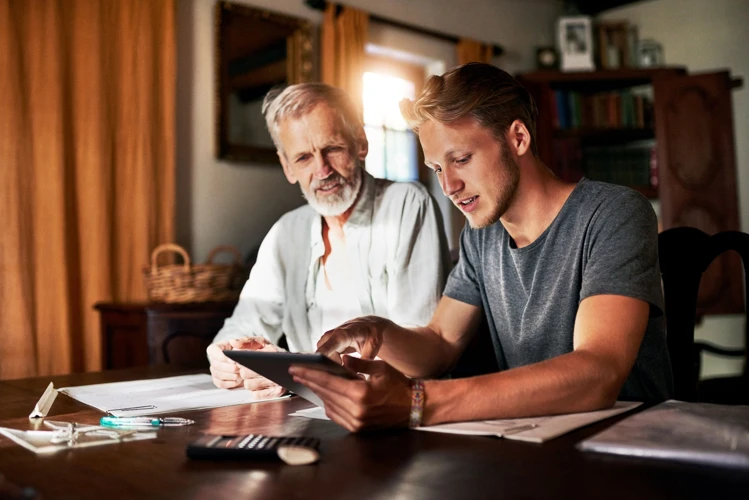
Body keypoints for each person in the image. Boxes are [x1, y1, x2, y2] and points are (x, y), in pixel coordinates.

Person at [290, 63, 673, 432]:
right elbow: (439, 342)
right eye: (438, 168)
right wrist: (374, 329)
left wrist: (417, 401)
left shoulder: (614, 213)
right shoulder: (480, 235)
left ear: (518, 138)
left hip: (626, 446)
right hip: (534, 444)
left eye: (461, 159)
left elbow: (598, 372)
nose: (449, 186)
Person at [207, 82, 451, 400]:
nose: (322, 170)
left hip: (397, 411)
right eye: (304, 157)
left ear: (360, 143)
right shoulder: (286, 232)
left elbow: (419, 356)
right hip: (311, 414)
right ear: (287, 167)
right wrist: (226, 357)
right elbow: (244, 324)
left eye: (332, 149)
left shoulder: (407, 204)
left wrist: (297, 372)